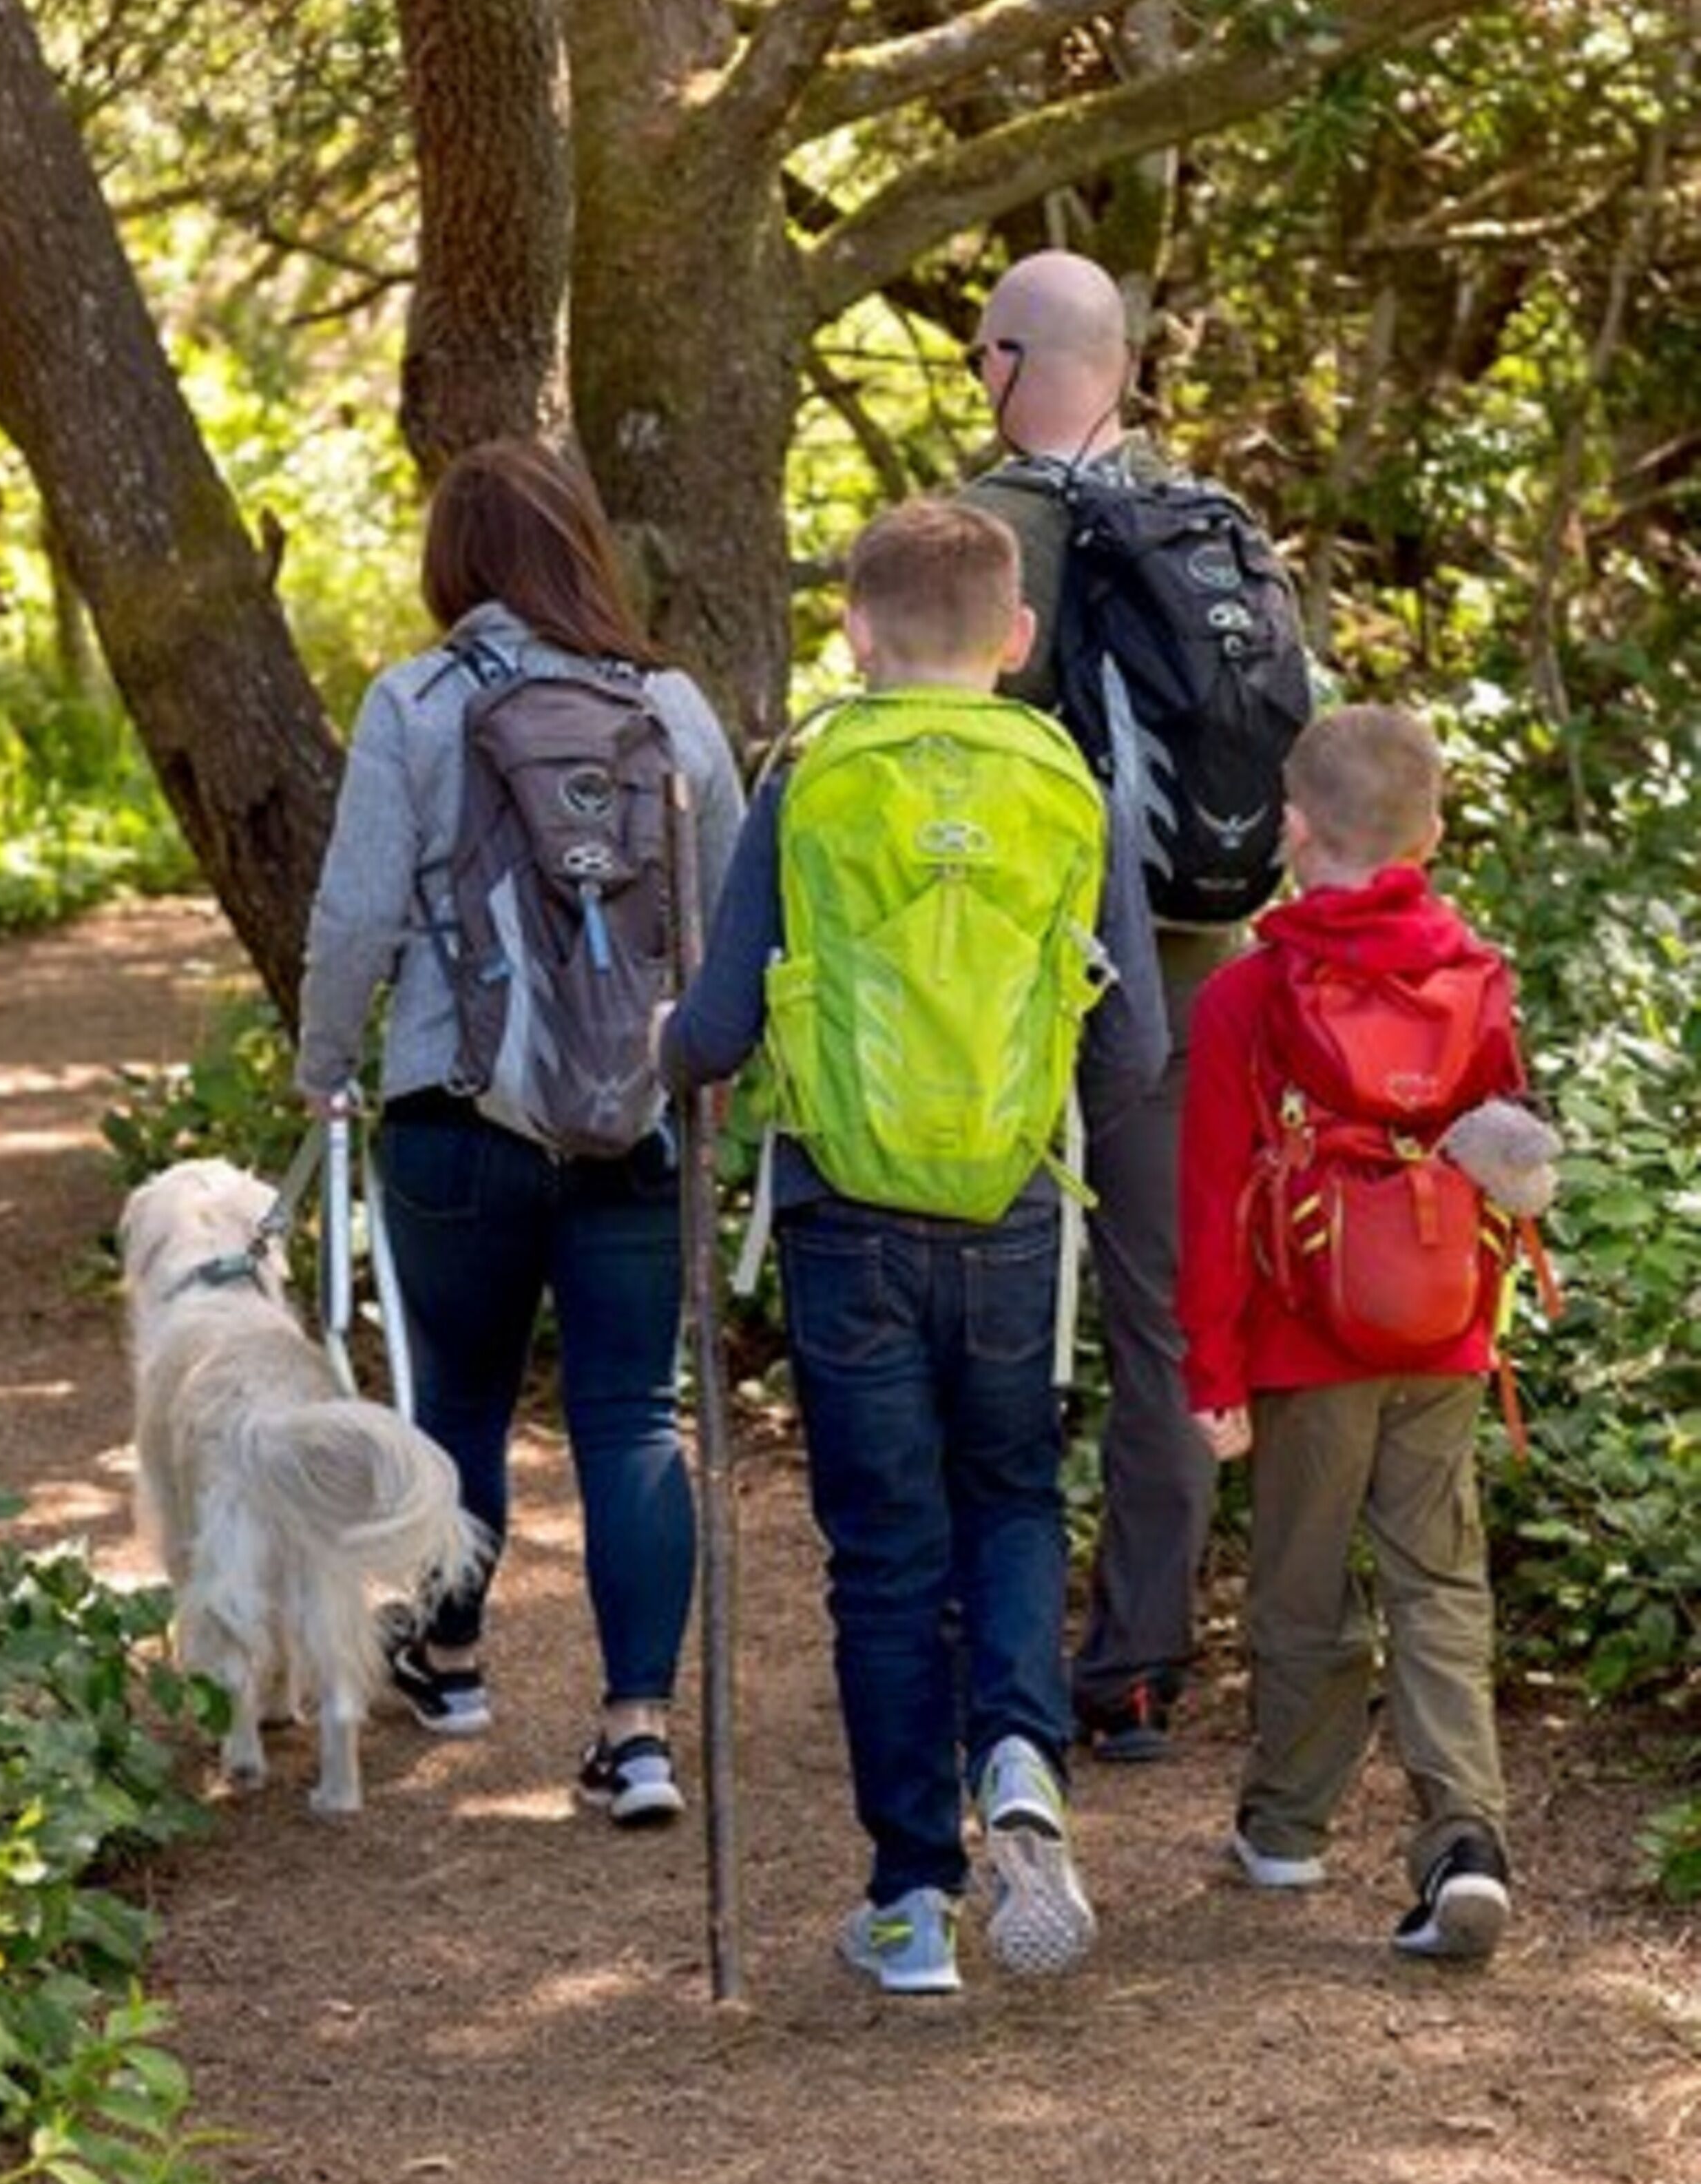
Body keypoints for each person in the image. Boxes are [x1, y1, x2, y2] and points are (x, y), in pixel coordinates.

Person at [658, 498, 1167, 1994]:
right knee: (1009, 1499)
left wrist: (666, 1044)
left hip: (844, 1216)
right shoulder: (1067, 781)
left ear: (855, 634)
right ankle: (1016, 1750)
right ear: (1015, 639)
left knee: (884, 1557)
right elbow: (1130, 1043)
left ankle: (913, 1908)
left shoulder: (809, 776)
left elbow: (715, 1032)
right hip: (1009, 1211)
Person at [295, 435, 743, 1824]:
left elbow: (359, 910)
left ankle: (455, 1654)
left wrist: (324, 1065)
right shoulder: (670, 705)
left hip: (456, 1111)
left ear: (454, 563)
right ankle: (638, 1732)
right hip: (631, 1113)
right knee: (631, 1416)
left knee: (463, 1400)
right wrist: (699, 1071)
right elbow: (724, 911)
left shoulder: (417, 701)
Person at [1178, 705, 1523, 1958]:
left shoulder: (1245, 996)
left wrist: (1208, 1367)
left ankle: (1286, 1830)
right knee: (1439, 1583)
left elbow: (1213, 1196)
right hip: (1442, 1329)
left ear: (1292, 829)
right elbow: (1505, 1153)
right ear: (1428, 832)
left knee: (1303, 1586)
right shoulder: (1477, 978)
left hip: (1304, 1336)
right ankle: (1463, 1841)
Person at [964, 247, 1249, 1760]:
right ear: (1124, 366)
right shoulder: (1214, 529)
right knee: (1160, 1314)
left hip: (1003, 989)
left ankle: (984, 1636)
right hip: (1194, 965)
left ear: (1006, 363)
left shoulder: (978, 534)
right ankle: (1136, 1664)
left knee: (977, 1286)